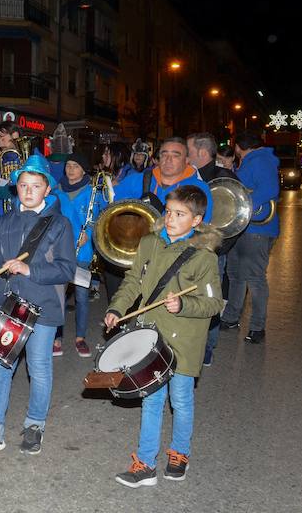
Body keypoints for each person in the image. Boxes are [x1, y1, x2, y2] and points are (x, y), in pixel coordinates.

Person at [104, 185, 223, 487]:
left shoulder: (204, 257)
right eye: (168, 212)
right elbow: (133, 280)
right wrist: (117, 308)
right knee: (151, 400)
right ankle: (145, 464)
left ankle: (180, 453)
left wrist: (184, 304)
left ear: (196, 221)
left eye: (180, 215)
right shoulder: (149, 243)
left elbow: (214, 303)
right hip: (151, 335)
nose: (170, 219)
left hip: (184, 340)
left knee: (181, 400)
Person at [0, 155, 76, 456]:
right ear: (16, 188)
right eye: (23, 185)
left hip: (44, 308)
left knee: (39, 368)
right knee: (1, 366)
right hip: (9, 307)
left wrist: (30, 270)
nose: (28, 191)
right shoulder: (3, 222)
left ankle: (35, 424)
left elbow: (67, 269)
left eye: (35, 186)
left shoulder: (60, 224)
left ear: (47, 190)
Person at [105, 137, 214, 302]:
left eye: (175, 155)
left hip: (173, 258)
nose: (168, 159)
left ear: (187, 160)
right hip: (135, 253)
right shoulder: (138, 179)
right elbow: (110, 207)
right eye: (164, 154)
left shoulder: (199, 188)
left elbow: (203, 227)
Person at [219, 130, 279, 344]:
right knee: (235, 275)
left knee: (254, 279)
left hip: (258, 231)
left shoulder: (260, 160)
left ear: (238, 147)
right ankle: (232, 317)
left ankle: (257, 328)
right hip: (243, 229)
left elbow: (271, 189)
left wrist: (243, 204)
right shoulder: (252, 160)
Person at [186, 132, 239, 365]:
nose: (186, 156)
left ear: (200, 152)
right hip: (187, 247)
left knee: (210, 297)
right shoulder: (188, 175)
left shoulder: (223, 177)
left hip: (212, 251)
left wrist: (220, 248)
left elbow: (237, 219)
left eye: (188, 151)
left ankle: (208, 346)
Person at [53, 151, 107, 358]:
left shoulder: (93, 191)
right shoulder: (57, 191)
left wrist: (90, 233)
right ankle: (57, 337)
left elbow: (101, 219)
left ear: (84, 169)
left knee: (82, 297)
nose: (70, 169)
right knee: (58, 296)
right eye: (68, 165)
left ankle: (80, 338)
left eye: (75, 166)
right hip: (60, 250)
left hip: (82, 251)